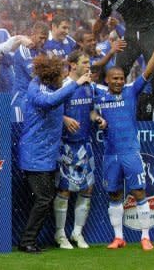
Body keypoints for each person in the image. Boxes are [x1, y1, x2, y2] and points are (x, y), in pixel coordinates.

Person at [93, 34, 154, 251]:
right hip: (110, 154)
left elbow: (149, 70)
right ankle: (118, 238)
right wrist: (96, 118)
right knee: (114, 194)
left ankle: (145, 237)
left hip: (130, 152)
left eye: (120, 78)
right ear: (107, 80)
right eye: (114, 78)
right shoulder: (100, 96)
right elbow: (89, 111)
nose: (118, 81)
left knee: (139, 193)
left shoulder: (131, 91)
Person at [18, 54, 91, 253]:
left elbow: (56, 104)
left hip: (48, 155)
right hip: (35, 155)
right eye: (61, 73)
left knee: (46, 197)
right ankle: (27, 241)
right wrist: (75, 83)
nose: (64, 76)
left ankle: (30, 239)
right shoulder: (37, 88)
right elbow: (48, 102)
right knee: (44, 198)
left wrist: (65, 118)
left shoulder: (51, 87)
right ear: (52, 75)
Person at [88, 0, 154, 114]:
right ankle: (113, 104)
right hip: (131, 34)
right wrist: (91, 41)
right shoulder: (106, 1)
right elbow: (100, 21)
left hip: (151, 30)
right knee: (117, 70)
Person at [53, 51, 107, 249]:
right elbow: (50, 110)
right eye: (85, 63)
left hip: (85, 144)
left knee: (87, 188)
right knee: (65, 189)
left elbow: (92, 110)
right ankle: (60, 234)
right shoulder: (63, 86)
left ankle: (77, 232)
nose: (88, 66)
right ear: (72, 65)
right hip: (66, 145)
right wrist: (64, 119)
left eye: (89, 63)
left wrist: (98, 118)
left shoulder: (89, 87)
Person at [11, 22, 49, 122]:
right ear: (33, 34)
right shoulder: (24, 49)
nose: (43, 41)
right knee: (18, 132)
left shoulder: (42, 52)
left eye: (45, 38)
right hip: (21, 97)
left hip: (33, 99)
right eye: (41, 38)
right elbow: (34, 74)